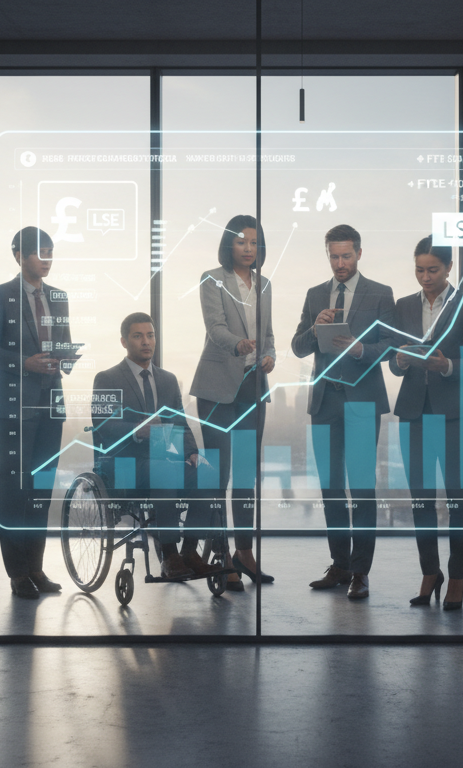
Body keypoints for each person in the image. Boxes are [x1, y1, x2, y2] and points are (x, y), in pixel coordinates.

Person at [292, 224, 396, 600]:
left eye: (346, 256)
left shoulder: (381, 294)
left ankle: (360, 572)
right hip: (324, 403)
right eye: (334, 256)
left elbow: (391, 346)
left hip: (362, 401)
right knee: (331, 489)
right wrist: (314, 327)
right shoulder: (315, 294)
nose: (340, 263)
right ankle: (339, 565)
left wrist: (359, 350)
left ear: (359, 254)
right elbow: (298, 347)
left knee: (362, 490)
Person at [0, 226, 77, 600]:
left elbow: (62, 341)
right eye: (40, 253)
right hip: (14, 405)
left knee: (40, 491)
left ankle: (35, 568)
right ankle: (17, 573)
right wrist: (25, 363)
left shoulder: (59, 297)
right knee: (15, 490)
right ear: (19, 256)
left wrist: (65, 357)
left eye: (51, 252)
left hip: (51, 403)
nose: (46, 259)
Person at [389, 236, 463, 611]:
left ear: (449, 269)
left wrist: (446, 366)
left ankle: (458, 578)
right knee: (420, 500)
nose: (425, 277)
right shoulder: (403, 306)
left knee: (460, 500)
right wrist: (399, 361)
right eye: (419, 270)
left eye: (433, 270)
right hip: (413, 413)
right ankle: (430, 572)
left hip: (456, 414)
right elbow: (392, 360)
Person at [92, 313, 220, 580]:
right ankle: (169, 553)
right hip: (126, 465)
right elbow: (102, 425)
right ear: (124, 342)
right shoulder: (106, 379)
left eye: (150, 335)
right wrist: (138, 430)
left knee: (208, 471)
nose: (146, 342)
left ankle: (190, 552)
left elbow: (181, 423)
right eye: (138, 336)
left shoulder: (167, 380)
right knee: (165, 469)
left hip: (163, 461)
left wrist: (193, 453)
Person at [191, 215, 277, 591]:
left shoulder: (265, 284)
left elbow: (268, 333)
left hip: (252, 387)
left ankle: (244, 553)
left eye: (254, 242)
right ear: (229, 244)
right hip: (218, 389)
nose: (247, 248)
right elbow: (215, 327)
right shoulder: (212, 279)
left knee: (245, 478)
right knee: (218, 478)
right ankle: (221, 555)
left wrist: (269, 354)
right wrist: (239, 345)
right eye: (241, 241)